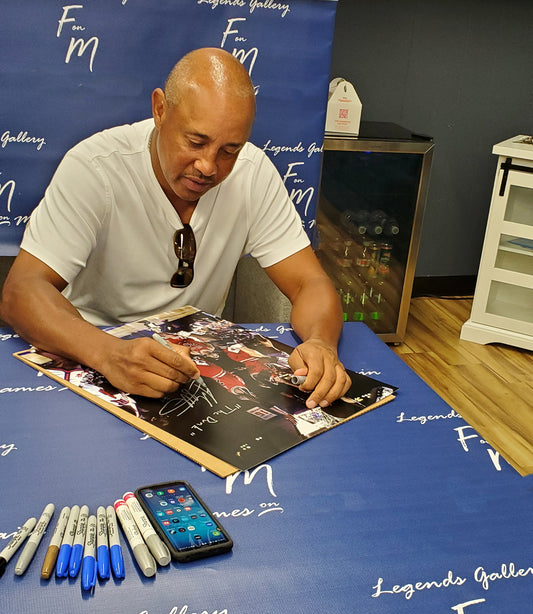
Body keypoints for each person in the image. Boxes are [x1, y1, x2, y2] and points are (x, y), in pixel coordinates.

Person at [0, 47, 351, 408]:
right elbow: (21, 292)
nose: (208, 166)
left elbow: (310, 282)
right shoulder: (95, 168)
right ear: (160, 110)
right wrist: (108, 354)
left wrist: (321, 343)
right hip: (89, 353)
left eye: (229, 150)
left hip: (194, 369)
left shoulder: (253, 173)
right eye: (196, 141)